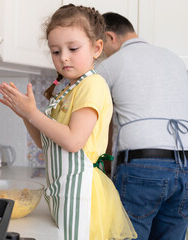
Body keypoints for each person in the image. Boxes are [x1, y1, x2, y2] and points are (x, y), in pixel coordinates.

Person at [0, 4, 137, 240]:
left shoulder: (93, 85)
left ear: (97, 48)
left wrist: (33, 113)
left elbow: (73, 141)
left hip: (83, 197)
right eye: (55, 51)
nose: (63, 57)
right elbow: (46, 143)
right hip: (64, 193)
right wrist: (25, 114)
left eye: (73, 48)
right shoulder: (70, 89)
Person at [96, 12, 188, 240]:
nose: (101, 53)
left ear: (110, 37)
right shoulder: (175, 59)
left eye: (101, 46)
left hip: (142, 169)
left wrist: (104, 169)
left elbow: (97, 117)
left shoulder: (111, 65)